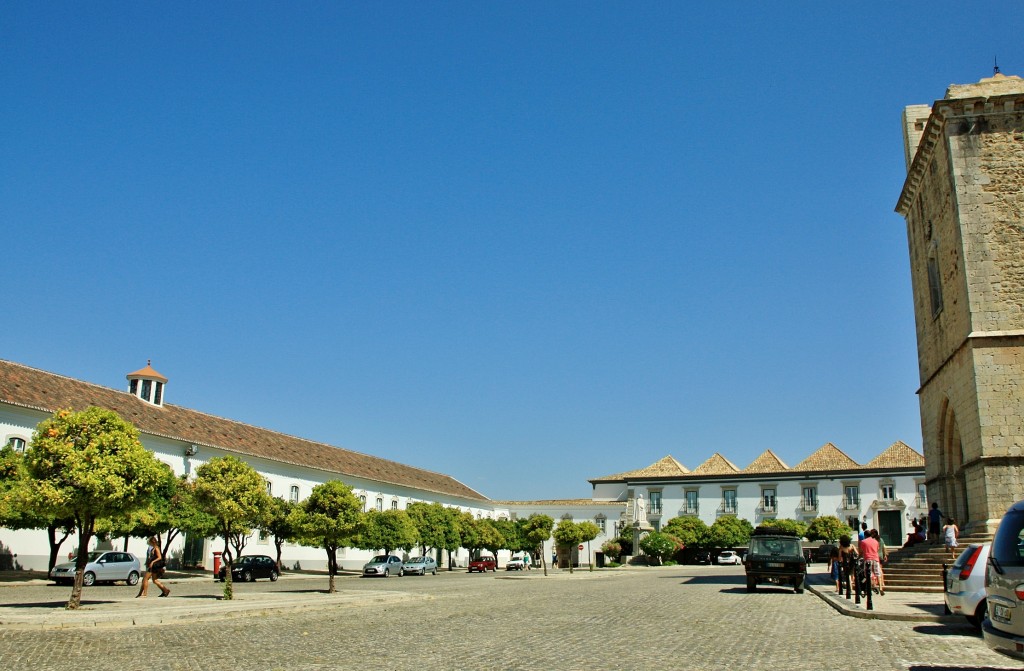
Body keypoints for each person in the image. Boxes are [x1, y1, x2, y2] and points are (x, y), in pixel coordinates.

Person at [859, 529, 882, 595]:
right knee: (878, 573)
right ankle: (880, 587)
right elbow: (877, 549)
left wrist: (858, 558)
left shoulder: (863, 542)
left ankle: (872, 586)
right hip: (875, 558)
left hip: (868, 559)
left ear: (865, 535)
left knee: (868, 574)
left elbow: (862, 551)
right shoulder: (876, 541)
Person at [869, 529, 887, 595]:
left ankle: (875, 584)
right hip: (881, 555)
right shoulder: (881, 539)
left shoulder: (873, 541)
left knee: (874, 571)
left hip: (875, 556)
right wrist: (885, 555)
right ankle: (882, 583)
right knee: (880, 570)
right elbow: (884, 547)